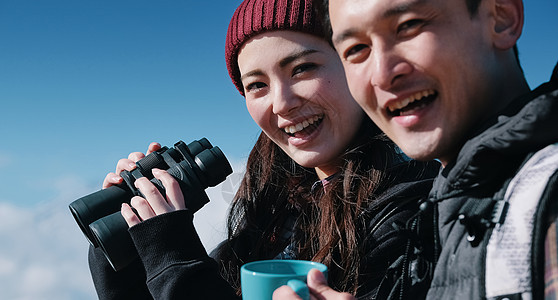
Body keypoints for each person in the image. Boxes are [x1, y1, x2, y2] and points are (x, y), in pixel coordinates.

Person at [87, 0, 440, 299]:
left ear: (354, 63)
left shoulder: (413, 210)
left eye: (302, 68)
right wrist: (128, 247)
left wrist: (174, 259)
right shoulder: (276, 209)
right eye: (257, 85)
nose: (281, 103)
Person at [284, 0, 558, 299]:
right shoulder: (448, 205)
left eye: (408, 27)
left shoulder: (546, 195)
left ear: (501, 17)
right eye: (355, 50)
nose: (382, 73)